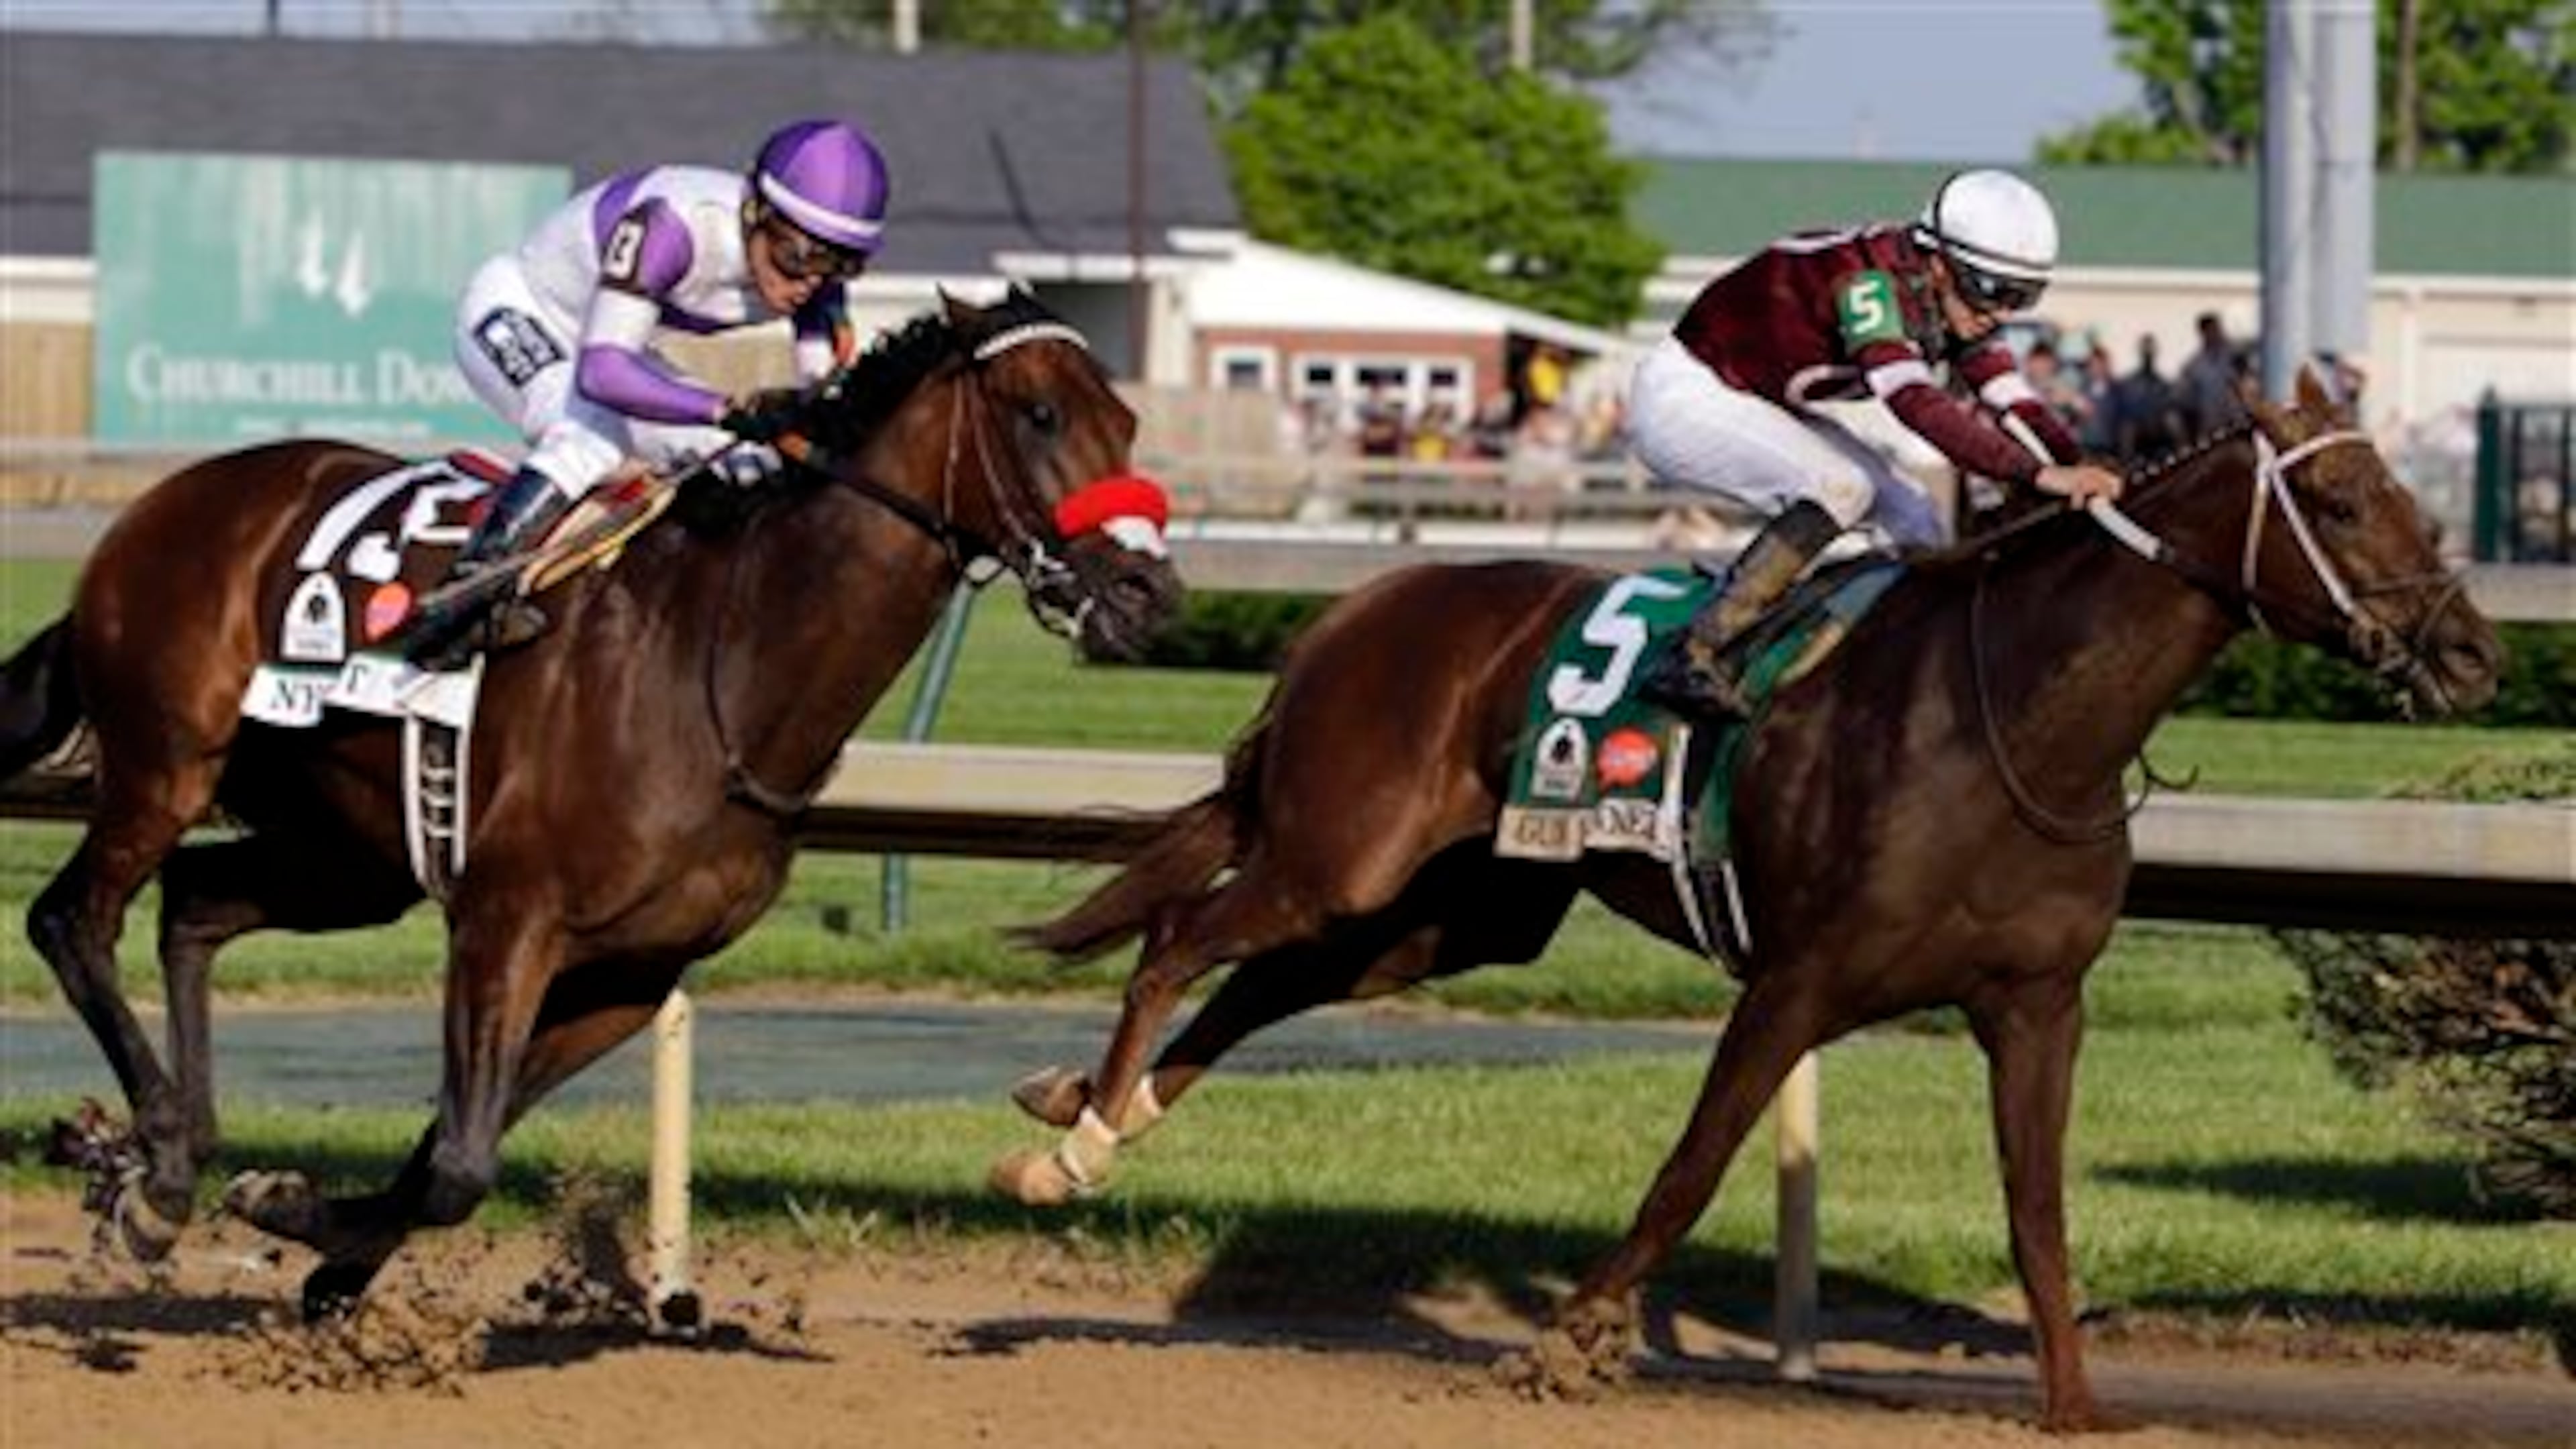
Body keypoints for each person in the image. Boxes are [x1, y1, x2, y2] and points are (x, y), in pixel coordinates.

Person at [1627, 168, 2125, 719]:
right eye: (1993, 291)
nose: (2000, 313)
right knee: (1842, 487)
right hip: (1684, 394)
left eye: (2022, 297)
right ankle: (1697, 650)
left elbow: (2015, 404)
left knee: (1918, 519)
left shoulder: (1950, 294)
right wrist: (2036, 476)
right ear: (1939, 262)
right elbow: (1915, 403)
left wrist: (2080, 466)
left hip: (1755, 399)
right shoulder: (1866, 281)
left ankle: (1900, 680)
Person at [409, 117, 892, 664]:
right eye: (801, 256)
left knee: (745, 462)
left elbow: (817, 380)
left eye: (841, 264)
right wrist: (726, 408)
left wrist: (807, 409)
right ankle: (467, 595)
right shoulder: (671, 226)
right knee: (591, 434)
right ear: (757, 210)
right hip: (521, 312)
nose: (812, 280)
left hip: (615, 338)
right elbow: (603, 375)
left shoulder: (812, 271)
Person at [2176, 311, 2247, 443]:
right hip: (2210, 427)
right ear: (2202, 333)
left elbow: (2248, 385)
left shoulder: (2236, 356)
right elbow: (2186, 401)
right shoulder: (2194, 365)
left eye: (2217, 329)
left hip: (2238, 424)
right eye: (2210, 330)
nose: (2215, 334)